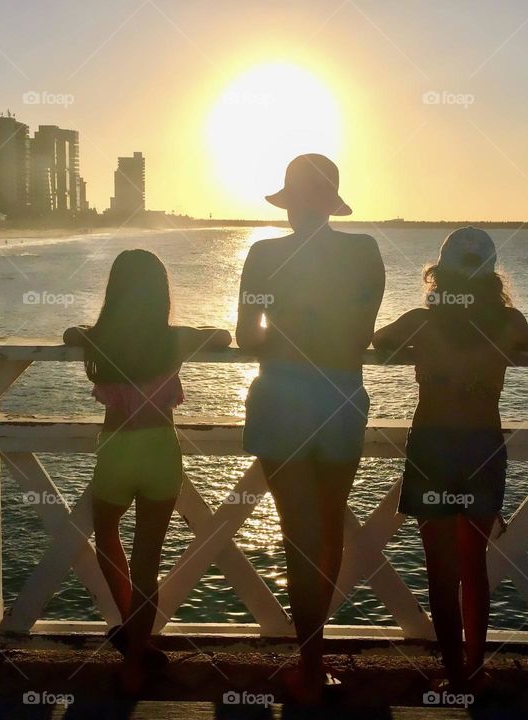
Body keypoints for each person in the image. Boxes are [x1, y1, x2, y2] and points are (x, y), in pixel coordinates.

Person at [236, 154, 385, 704]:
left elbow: (247, 337)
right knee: (327, 528)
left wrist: (286, 338)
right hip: (341, 395)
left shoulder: (263, 255)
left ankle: (309, 665)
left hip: (280, 397)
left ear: (291, 203)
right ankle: (315, 663)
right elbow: (361, 335)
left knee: (299, 532)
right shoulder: (365, 252)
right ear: (331, 203)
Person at [373, 227, 528, 692]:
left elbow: (381, 339)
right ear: (491, 278)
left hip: (432, 446)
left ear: (439, 276)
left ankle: (455, 677)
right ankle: (476, 667)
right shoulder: (507, 323)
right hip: (482, 448)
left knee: (441, 571)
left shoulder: (421, 323)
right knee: (474, 567)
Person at [63, 249, 231, 694]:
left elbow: (68, 332)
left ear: (114, 291)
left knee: (107, 538)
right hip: (161, 452)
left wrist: (84, 330)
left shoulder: (100, 339)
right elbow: (224, 336)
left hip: (117, 450)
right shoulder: (174, 339)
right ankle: (136, 659)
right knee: (147, 562)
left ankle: (129, 628)